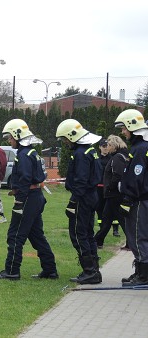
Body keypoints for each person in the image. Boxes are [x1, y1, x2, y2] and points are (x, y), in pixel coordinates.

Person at [0, 119, 58, 280]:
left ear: (17, 136)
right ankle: (50, 269)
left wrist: (19, 200)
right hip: (35, 197)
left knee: (15, 235)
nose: (9, 140)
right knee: (36, 236)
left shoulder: (23, 155)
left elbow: (26, 178)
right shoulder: (31, 152)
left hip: (28, 198)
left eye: (10, 137)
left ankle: (12, 270)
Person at [56, 118, 103, 284]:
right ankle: (94, 269)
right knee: (88, 233)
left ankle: (89, 270)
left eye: (65, 139)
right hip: (92, 196)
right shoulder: (91, 150)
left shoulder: (80, 154)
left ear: (72, 136)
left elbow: (81, 181)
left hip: (83, 198)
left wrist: (73, 202)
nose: (65, 142)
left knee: (78, 234)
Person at [115, 109, 148, 286]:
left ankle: (143, 275)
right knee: (140, 235)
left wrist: (127, 198)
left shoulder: (141, 149)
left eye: (124, 128)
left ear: (132, 127)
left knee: (137, 235)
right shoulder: (140, 147)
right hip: (140, 198)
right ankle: (141, 271)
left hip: (139, 200)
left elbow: (137, 176)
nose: (123, 132)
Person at [94, 135, 128, 249]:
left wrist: (109, 187)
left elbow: (117, 175)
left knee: (118, 218)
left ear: (113, 145)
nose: (107, 147)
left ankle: (131, 241)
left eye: (108, 145)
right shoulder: (120, 156)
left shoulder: (117, 157)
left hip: (114, 194)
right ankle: (98, 241)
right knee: (107, 218)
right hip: (113, 193)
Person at [94, 139, 111, 236]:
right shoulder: (97, 160)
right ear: (100, 147)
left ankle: (115, 229)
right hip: (99, 188)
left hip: (109, 188)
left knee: (111, 208)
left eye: (107, 146)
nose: (105, 148)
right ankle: (101, 228)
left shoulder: (112, 158)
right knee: (99, 208)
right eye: (103, 146)